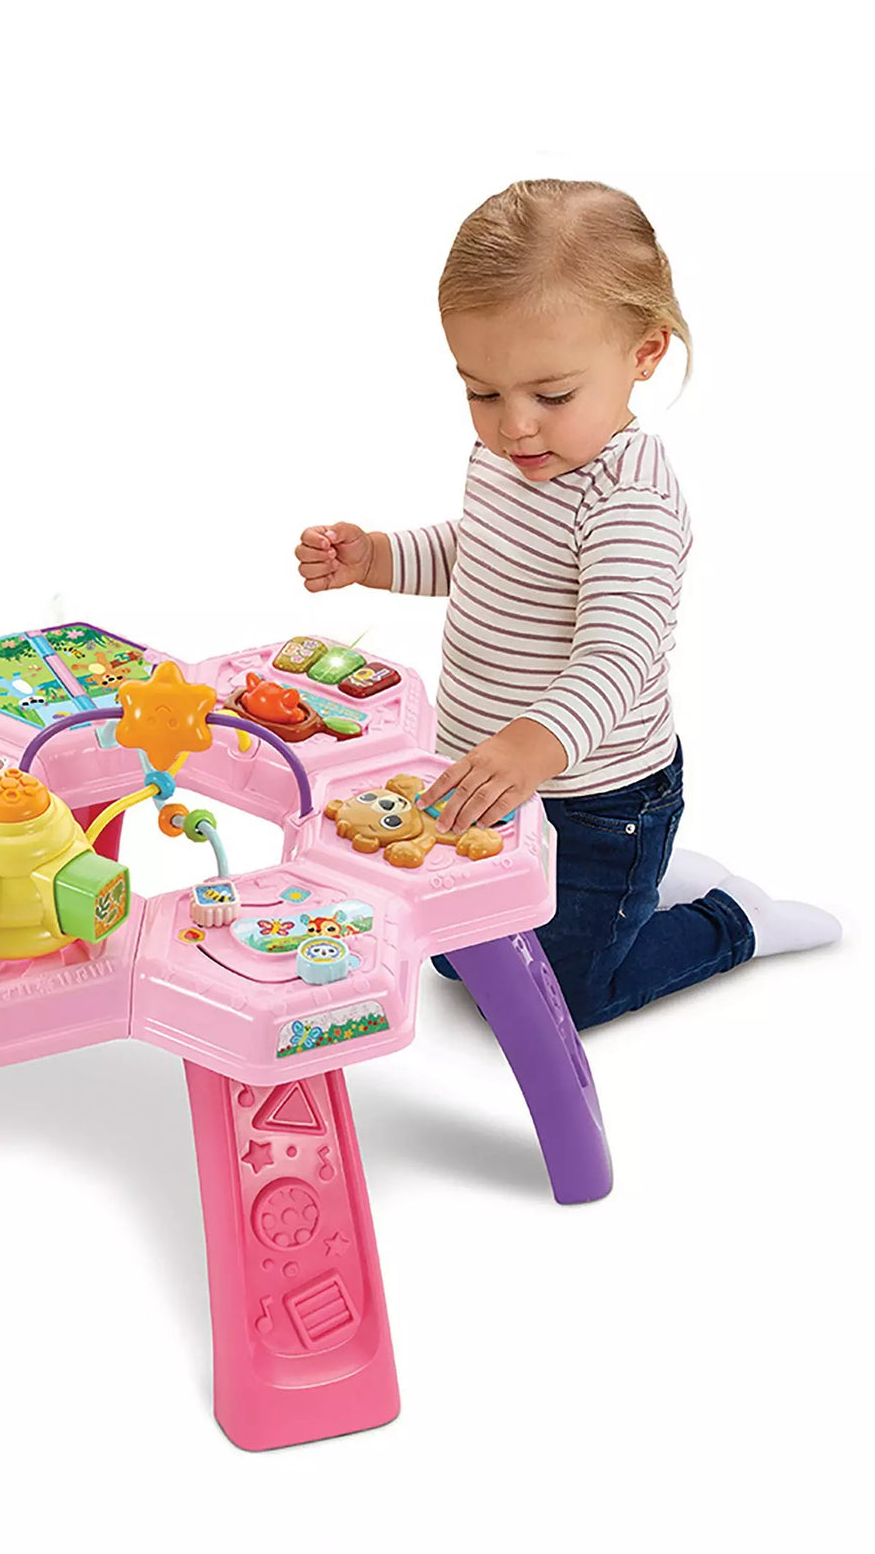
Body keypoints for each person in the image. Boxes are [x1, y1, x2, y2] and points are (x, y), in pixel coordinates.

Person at [294, 178, 839, 1030]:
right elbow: (479, 550)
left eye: (551, 396)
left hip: (597, 798)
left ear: (644, 354)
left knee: (569, 993)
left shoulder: (629, 499)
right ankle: (643, 887)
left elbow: (619, 656)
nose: (514, 425)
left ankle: (733, 922)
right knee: (454, 955)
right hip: (486, 771)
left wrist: (535, 742)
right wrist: (380, 556)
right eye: (482, 392)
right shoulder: (510, 459)